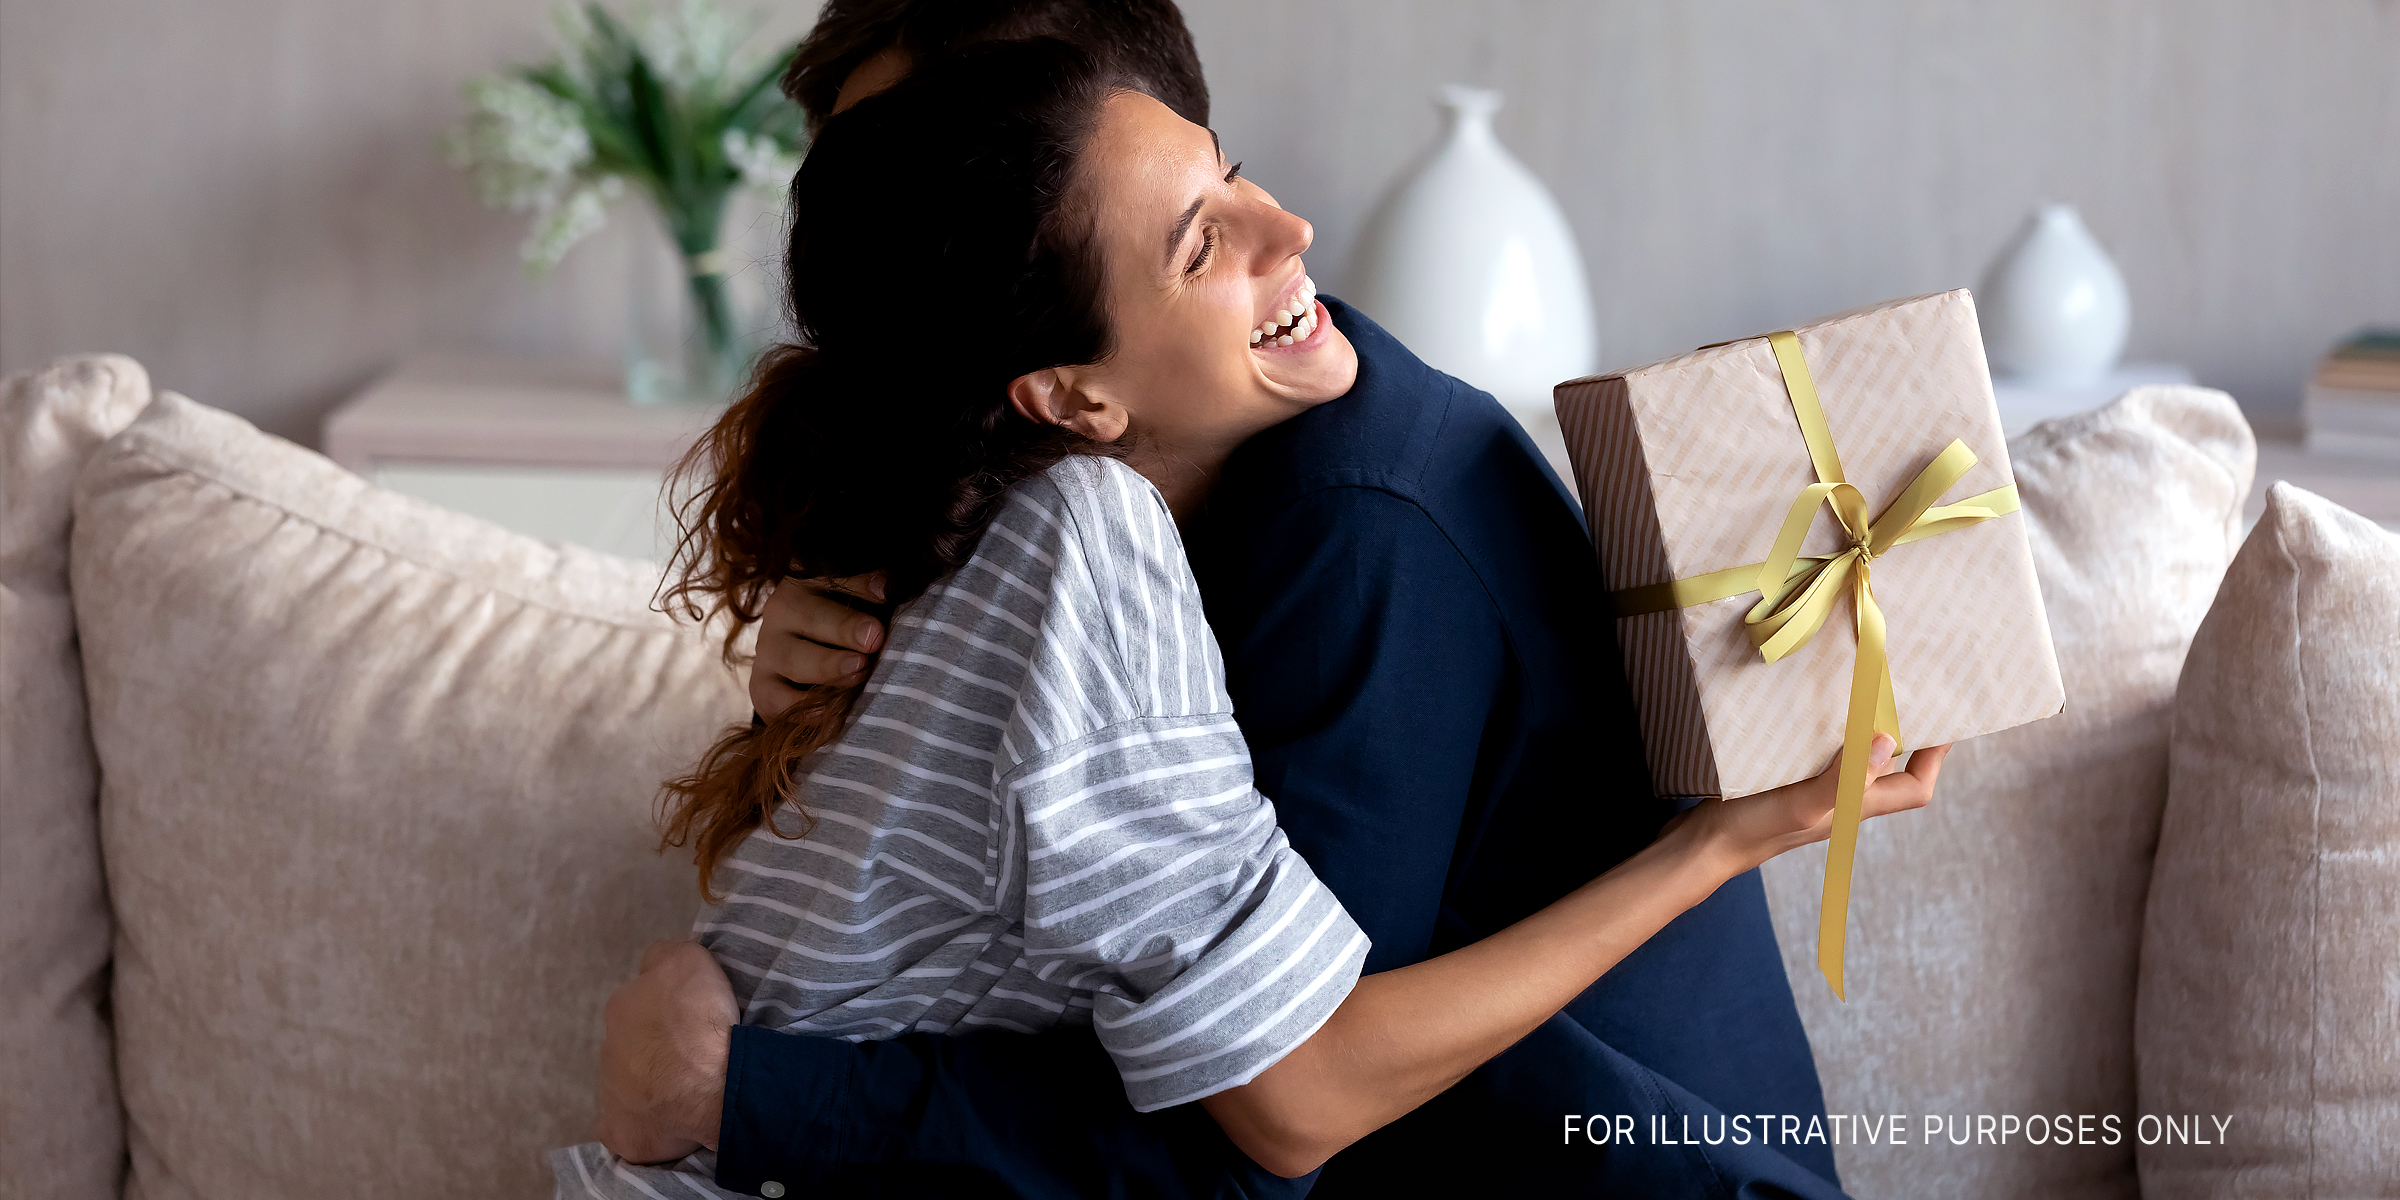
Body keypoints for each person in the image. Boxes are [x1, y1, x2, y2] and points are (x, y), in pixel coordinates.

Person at [593, 6, 1934, 1198]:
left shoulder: (1348, 523)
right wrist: (835, 689)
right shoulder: (1065, 489)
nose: (1294, 229)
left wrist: (748, 1099)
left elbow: (1268, 1123)